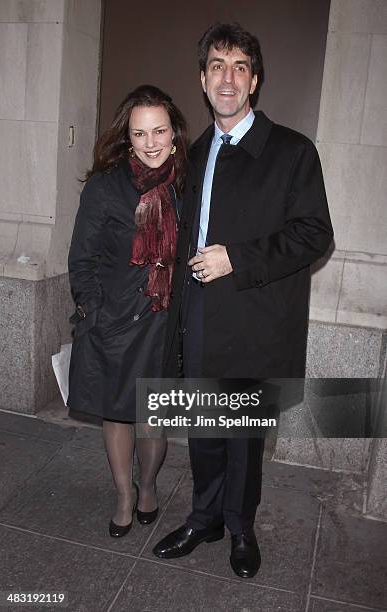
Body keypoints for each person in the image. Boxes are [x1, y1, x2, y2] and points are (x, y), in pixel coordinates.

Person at [153, 23, 333, 578]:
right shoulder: (197, 151)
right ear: (202, 80)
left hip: (257, 321)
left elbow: (314, 234)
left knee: (242, 439)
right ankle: (203, 517)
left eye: (238, 67)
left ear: (253, 81)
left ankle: (240, 527)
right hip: (200, 318)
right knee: (204, 432)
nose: (226, 78)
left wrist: (239, 258)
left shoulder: (292, 151)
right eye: (216, 66)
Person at [67, 85, 188, 538]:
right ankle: (122, 493)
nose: (151, 142)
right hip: (115, 322)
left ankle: (148, 486)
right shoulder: (104, 187)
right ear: (128, 137)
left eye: (159, 131)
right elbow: (82, 259)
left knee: (152, 416)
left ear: (174, 131)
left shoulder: (187, 184)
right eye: (140, 134)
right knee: (117, 413)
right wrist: (94, 312)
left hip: (164, 322)